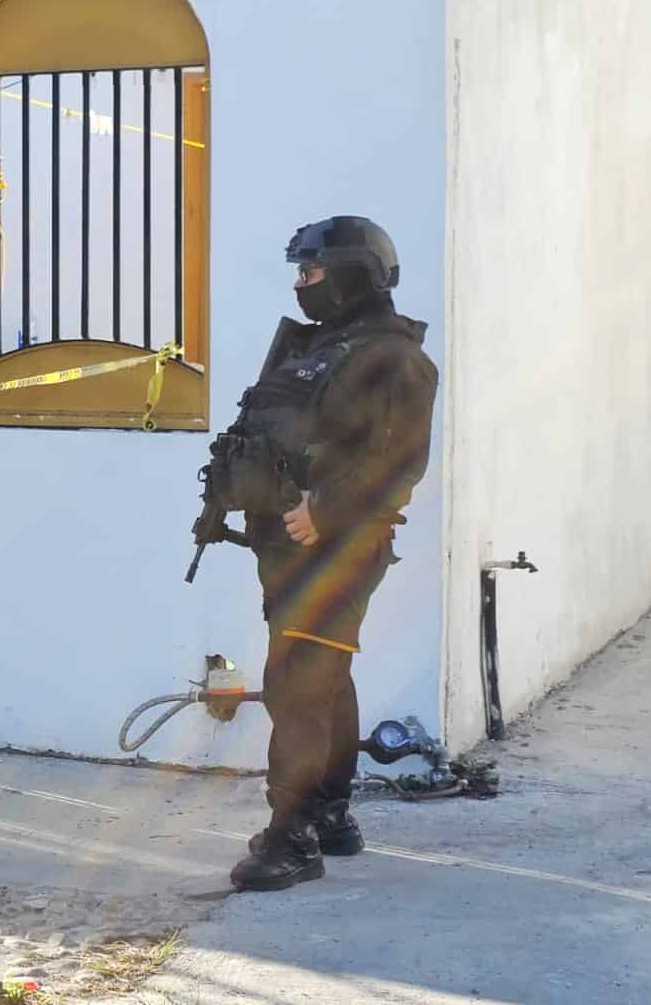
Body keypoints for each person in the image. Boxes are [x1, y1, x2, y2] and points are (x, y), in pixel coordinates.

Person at [201, 216, 438, 892]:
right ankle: (330, 814)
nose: (301, 286)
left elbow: (401, 460)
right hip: (283, 545)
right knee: (322, 671)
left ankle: (291, 837)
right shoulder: (314, 348)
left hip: (336, 545)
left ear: (353, 273)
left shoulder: (396, 358)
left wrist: (326, 511)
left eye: (312, 273)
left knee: (298, 681)